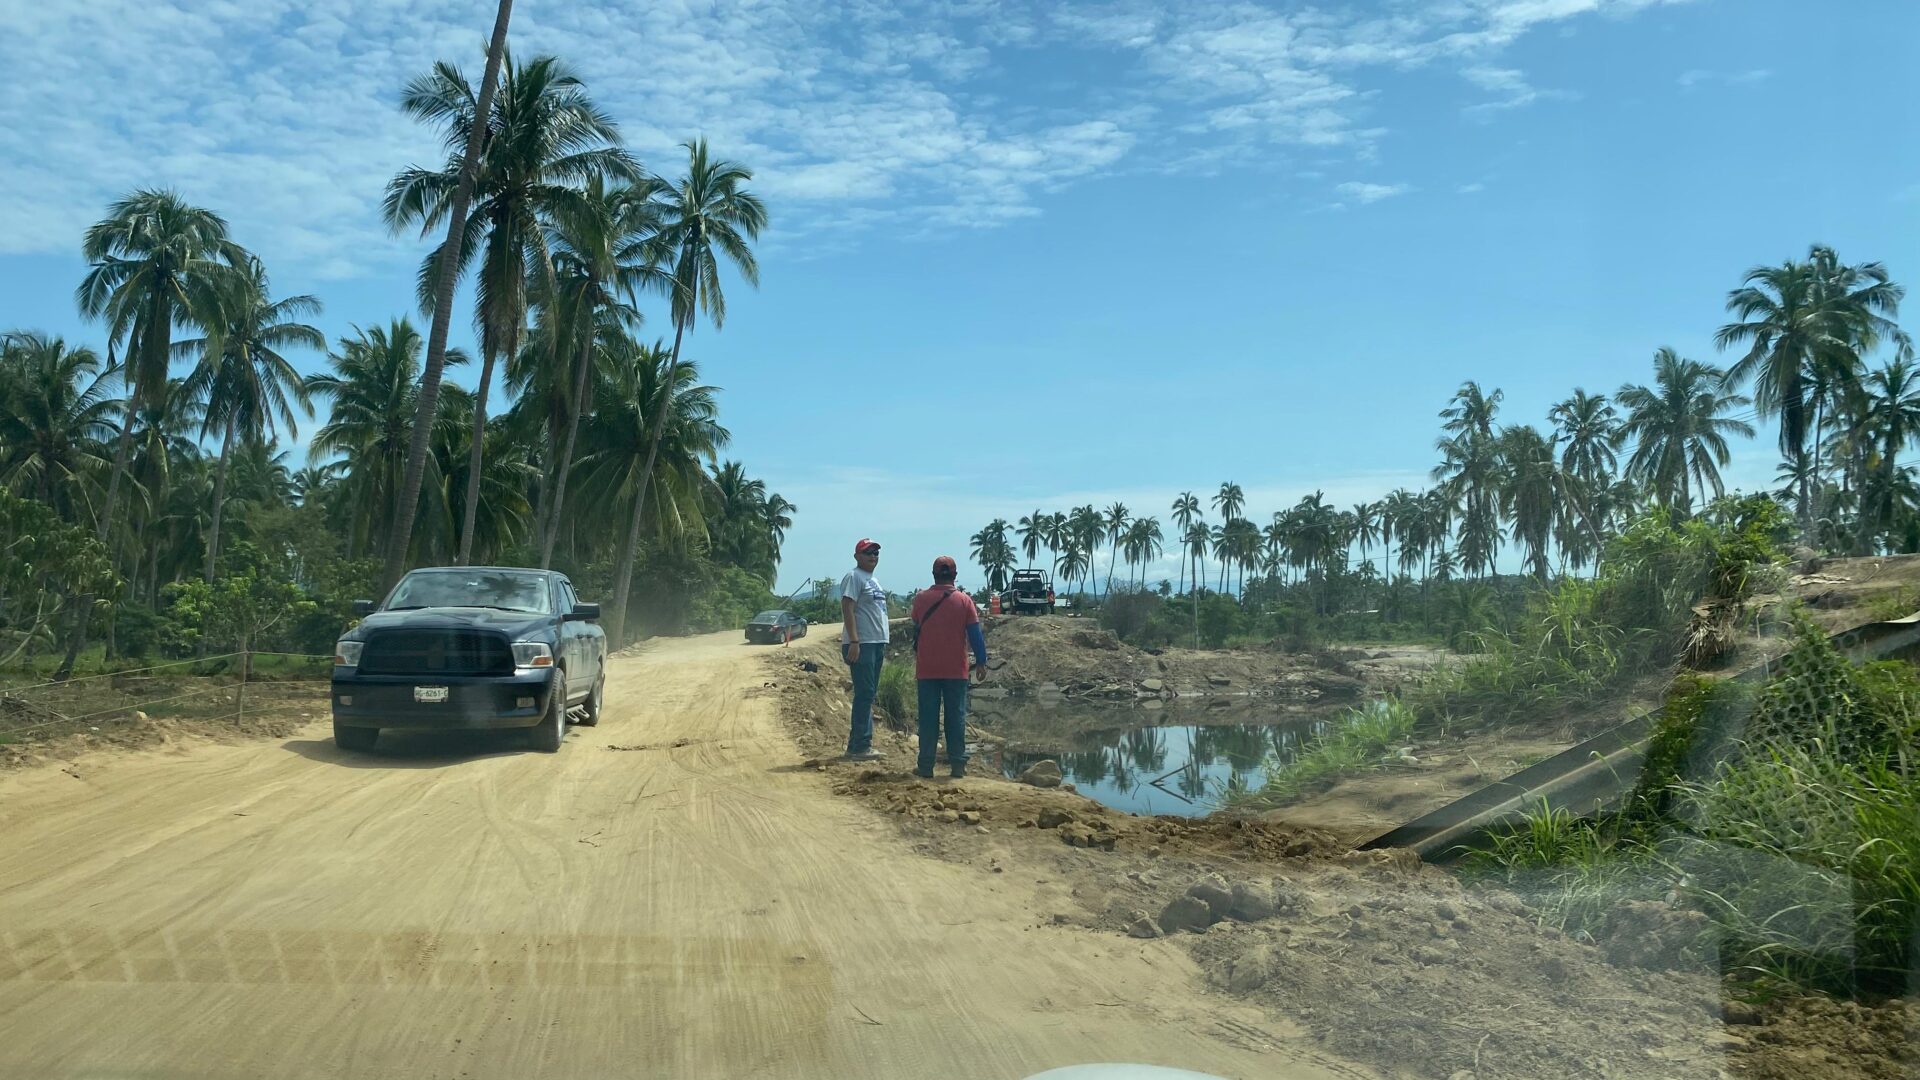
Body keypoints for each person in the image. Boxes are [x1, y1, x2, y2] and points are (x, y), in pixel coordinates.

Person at [909, 556, 988, 779]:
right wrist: (981, 662)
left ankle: (925, 767)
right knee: (956, 717)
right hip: (956, 671)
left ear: (934, 574)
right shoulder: (964, 601)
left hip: (927, 670)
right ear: (954, 575)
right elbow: (975, 635)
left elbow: (916, 625)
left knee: (928, 718)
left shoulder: (920, 599)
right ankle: (957, 766)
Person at [838, 538, 889, 761]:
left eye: (876, 552)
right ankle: (858, 746)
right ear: (857, 555)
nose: (873, 556)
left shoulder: (873, 579)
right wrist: (854, 641)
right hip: (862, 644)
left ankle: (862, 743)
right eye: (868, 552)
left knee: (869, 694)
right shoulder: (854, 576)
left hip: (876, 643)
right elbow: (847, 607)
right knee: (864, 694)